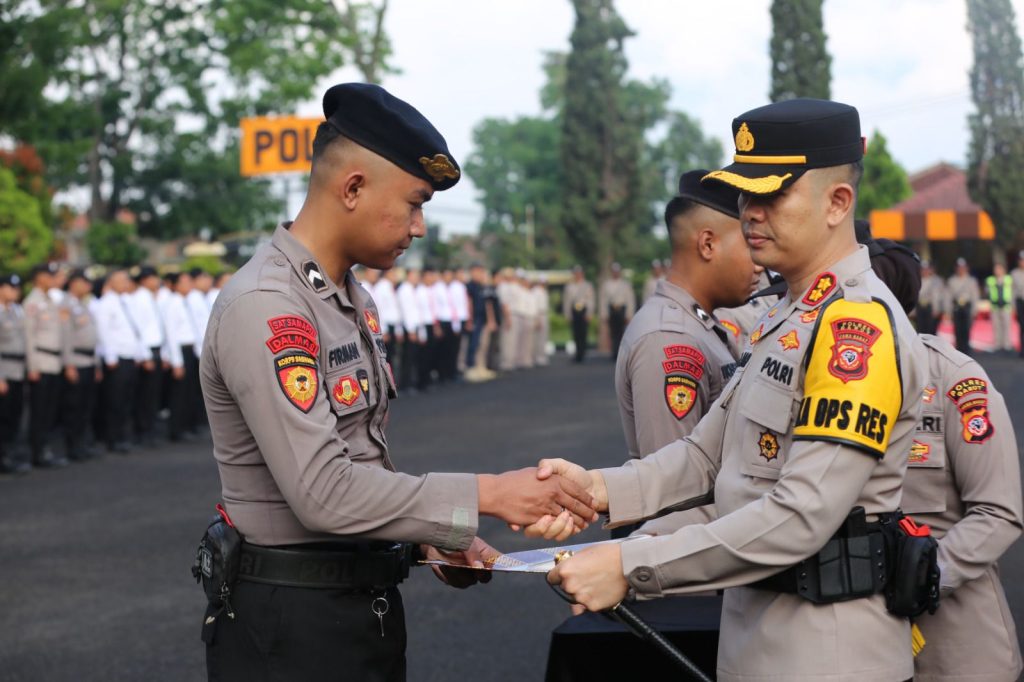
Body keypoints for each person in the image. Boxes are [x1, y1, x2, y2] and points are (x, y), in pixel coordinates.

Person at [198, 82, 597, 682]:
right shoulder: (270, 305)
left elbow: (360, 463)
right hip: (291, 627)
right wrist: (489, 493)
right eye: (413, 204)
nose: (419, 228)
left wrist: (427, 540)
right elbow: (323, 492)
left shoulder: (345, 298)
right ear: (353, 187)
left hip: (353, 609)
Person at [533, 98, 928, 682]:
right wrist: (594, 489)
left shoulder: (855, 327)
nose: (750, 213)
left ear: (837, 203)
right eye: (745, 194)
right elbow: (704, 457)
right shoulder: (791, 317)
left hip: (826, 654)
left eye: (772, 195)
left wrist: (630, 562)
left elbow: (801, 516)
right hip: (760, 640)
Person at [861, 235, 1023, 682]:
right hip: (857, 649)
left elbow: (999, 511)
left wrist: (923, 576)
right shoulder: (817, 382)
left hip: (955, 651)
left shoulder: (954, 380)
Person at [612, 170, 760, 538]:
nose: (760, 262)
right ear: (708, 244)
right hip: (683, 561)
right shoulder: (670, 338)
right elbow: (674, 492)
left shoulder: (700, 327)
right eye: (749, 243)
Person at [93, 270, 144, 454]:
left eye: (126, 280)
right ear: (111, 282)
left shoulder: (126, 301)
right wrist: (111, 357)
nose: (125, 283)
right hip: (117, 359)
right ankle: (113, 439)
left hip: (130, 357)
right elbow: (104, 332)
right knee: (115, 401)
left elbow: (133, 331)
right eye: (121, 280)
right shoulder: (107, 303)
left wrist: (138, 354)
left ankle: (123, 436)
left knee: (127, 400)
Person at [24, 263, 69, 468]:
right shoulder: (32, 302)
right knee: (39, 410)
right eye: (49, 275)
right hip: (41, 361)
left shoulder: (51, 300)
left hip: (54, 361)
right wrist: (32, 366)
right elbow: (29, 337)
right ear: (39, 277)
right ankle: (37, 451)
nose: (54, 279)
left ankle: (45, 448)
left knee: (50, 409)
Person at [60, 270, 100, 461]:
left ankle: (82, 444)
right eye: (84, 282)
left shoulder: (84, 304)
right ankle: (73, 447)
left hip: (89, 361)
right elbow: (66, 337)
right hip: (76, 361)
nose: (88, 286)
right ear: (74, 283)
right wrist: (69, 364)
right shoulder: (65, 304)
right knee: (74, 407)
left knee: (86, 407)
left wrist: (97, 364)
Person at [129, 266, 166, 446]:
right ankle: (143, 432)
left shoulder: (151, 297)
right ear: (144, 280)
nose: (156, 281)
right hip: (147, 351)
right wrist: (145, 356)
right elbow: (139, 330)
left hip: (156, 349)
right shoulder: (138, 299)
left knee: (153, 394)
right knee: (145, 395)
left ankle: (150, 430)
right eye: (153, 278)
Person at [161, 272, 200, 441]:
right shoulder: (172, 304)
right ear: (175, 285)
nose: (189, 284)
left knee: (189, 391)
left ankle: (187, 425)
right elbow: (171, 335)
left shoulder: (186, 302)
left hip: (190, 349)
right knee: (179, 392)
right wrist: (176, 361)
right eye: (185, 282)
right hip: (180, 351)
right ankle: (176, 429)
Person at [0, 274, 28, 474]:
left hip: (18, 369)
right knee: (3, 416)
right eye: (11, 287)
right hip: (4, 369)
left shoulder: (18, 311)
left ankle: (10, 453)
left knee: (15, 415)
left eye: (17, 288)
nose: (15, 291)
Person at [599, 262, 635, 360]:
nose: (616, 273)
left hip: (621, 309)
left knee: (622, 332)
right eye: (614, 271)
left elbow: (629, 300)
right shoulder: (607, 284)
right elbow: (603, 300)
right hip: (612, 309)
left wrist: (629, 314)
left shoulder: (625, 284)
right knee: (613, 332)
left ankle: (620, 353)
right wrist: (604, 314)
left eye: (617, 271)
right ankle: (614, 352)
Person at [396, 268, 423, 391]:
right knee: (407, 357)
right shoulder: (404, 290)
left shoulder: (412, 289)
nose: (416, 277)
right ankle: (405, 384)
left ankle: (410, 382)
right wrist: (411, 330)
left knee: (413, 357)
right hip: (409, 328)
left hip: (414, 327)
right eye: (414, 275)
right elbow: (406, 311)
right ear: (409, 275)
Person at [562, 265, 595, 363]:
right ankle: (577, 353)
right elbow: (567, 301)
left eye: (579, 273)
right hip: (574, 310)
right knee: (575, 333)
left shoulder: (587, 285)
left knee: (583, 332)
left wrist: (590, 313)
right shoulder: (569, 286)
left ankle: (582, 353)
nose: (577, 275)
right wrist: (567, 314)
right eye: (576, 273)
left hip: (584, 309)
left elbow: (590, 300)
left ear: (582, 274)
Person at [948, 258, 979, 354]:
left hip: (967, 306)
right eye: (959, 267)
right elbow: (948, 296)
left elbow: (975, 296)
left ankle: (966, 349)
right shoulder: (952, 280)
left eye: (963, 267)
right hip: (957, 306)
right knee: (957, 329)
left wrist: (975, 309)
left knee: (966, 328)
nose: (961, 269)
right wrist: (948, 310)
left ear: (966, 268)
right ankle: (959, 349)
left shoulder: (971, 280)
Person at [985, 261, 1014, 352]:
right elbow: (986, 292)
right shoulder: (990, 280)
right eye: (995, 269)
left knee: (1006, 325)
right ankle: (997, 344)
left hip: (1006, 306)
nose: (997, 271)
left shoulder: (1009, 279)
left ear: (1003, 270)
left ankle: (1006, 344)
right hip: (995, 306)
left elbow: (1013, 291)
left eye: (999, 269)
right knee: (996, 326)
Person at [917, 260, 945, 336]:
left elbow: (937, 297)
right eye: (923, 269)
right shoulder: (917, 280)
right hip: (920, 307)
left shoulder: (936, 281)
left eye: (927, 269)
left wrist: (936, 309)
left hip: (931, 308)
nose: (925, 271)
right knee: (920, 331)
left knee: (931, 331)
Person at [531, 276, 550, 367]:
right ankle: (537, 357)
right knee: (537, 338)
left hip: (544, 314)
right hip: (538, 314)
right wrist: (537, 319)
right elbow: (535, 306)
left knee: (543, 337)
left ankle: (541, 356)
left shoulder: (544, 291)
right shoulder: (536, 291)